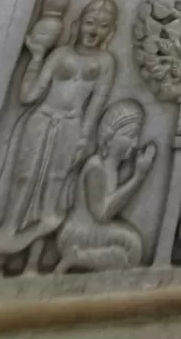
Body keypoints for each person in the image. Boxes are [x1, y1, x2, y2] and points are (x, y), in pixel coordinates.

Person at [0, 0, 119, 270]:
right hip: (40, 120)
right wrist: (35, 56)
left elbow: (97, 105)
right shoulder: (60, 55)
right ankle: (1, 251)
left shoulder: (105, 61)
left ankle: (32, 264)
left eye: (103, 26)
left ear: (110, 32)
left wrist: (83, 138)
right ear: (79, 24)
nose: (94, 31)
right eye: (90, 23)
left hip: (71, 127)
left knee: (53, 194)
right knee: (22, 182)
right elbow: (28, 94)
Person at [54, 100, 156, 273]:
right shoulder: (96, 167)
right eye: (130, 135)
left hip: (94, 231)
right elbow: (102, 214)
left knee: (132, 246)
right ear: (109, 136)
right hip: (79, 233)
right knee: (133, 246)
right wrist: (138, 177)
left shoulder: (112, 167)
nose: (135, 143)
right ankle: (76, 257)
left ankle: (83, 258)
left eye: (137, 136)